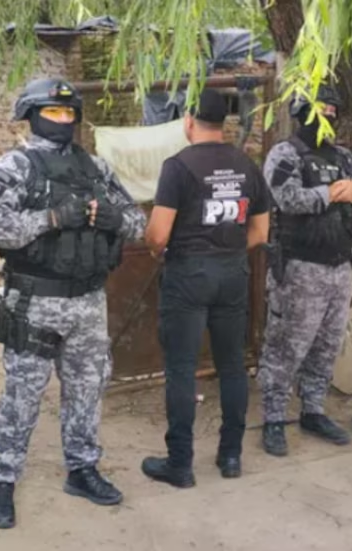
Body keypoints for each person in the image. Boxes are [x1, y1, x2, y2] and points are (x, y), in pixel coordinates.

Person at [0, 78, 146, 529]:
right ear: (32, 116)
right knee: (22, 395)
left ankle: (82, 468)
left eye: (69, 113)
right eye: (53, 112)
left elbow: (138, 223)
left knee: (88, 389)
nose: (63, 120)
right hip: (35, 301)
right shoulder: (15, 166)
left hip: (88, 302)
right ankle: (2, 479)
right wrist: (51, 217)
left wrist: (115, 218)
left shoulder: (96, 168)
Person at [139, 88, 270, 487]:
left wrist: (158, 249)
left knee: (182, 369)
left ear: (188, 122)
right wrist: (227, 252)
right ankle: (231, 456)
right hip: (232, 273)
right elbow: (260, 232)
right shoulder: (246, 165)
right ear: (224, 125)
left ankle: (180, 465)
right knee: (232, 366)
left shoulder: (178, 166)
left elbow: (158, 235)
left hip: (189, 276)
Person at [257, 84, 352, 457]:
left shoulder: (343, 157)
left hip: (339, 267)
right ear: (302, 113)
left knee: (327, 345)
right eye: (321, 110)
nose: (328, 117)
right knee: (286, 347)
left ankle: (313, 410)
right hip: (300, 269)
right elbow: (287, 199)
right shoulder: (285, 154)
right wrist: (334, 194)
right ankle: (274, 418)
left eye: (332, 111)